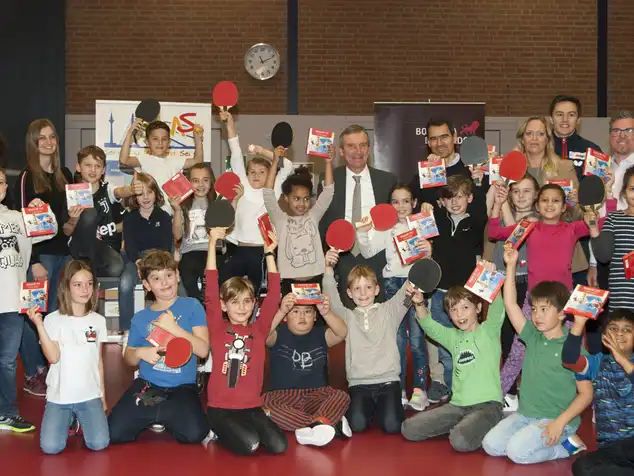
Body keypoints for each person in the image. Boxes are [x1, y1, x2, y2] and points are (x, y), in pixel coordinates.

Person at [489, 183, 607, 400]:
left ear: (564, 207)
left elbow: (600, 222)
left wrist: (599, 204)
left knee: (576, 351)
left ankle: (591, 398)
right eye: (544, 200)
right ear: (537, 204)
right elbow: (495, 232)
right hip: (533, 301)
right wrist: (497, 206)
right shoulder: (529, 227)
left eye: (556, 201)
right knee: (518, 351)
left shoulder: (572, 228)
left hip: (566, 302)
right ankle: (495, 397)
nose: (549, 204)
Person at [481, 247, 593, 464]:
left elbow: (586, 394)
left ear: (562, 314)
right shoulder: (532, 335)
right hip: (525, 415)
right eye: (534, 309)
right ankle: (534, 436)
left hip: (557, 419)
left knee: (517, 453)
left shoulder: (574, 349)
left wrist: (560, 423)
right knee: (491, 445)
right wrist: (511, 266)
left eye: (544, 310)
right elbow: (511, 304)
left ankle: (568, 446)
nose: (537, 316)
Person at [108, 250, 210, 444]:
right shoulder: (140, 317)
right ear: (147, 285)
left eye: (169, 275)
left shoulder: (192, 306)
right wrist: (139, 352)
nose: (165, 283)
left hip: (182, 387)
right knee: (113, 432)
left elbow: (203, 350)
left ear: (177, 276)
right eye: (156, 278)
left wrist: (174, 328)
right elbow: (129, 359)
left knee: (196, 434)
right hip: (148, 385)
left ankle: (159, 413)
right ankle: (158, 412)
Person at [401, 263, 505, 452]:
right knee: (409, 428)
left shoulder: (489, 330)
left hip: (487, 406)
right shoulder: (453, 337)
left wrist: (490, 277)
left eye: (465, 307)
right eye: (454, 310)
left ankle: (481, 424)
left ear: (479, 308)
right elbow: (429, 325)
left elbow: (498, 308)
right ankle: (466, 424)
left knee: (460, 441)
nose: (460, 314)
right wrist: (418, 303)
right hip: (457, 407)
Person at [205, 227, 287, 456]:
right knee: (250, 445)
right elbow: (211, 287)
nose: (241, 308)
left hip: (251, 407)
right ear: (223, 305)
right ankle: (217, 430)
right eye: (234, 302)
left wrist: (269, 253)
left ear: (253, 304)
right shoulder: (218, 327)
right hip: (221, 409)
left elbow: (273, 296)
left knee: (280, 446)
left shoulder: (259, 330)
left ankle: (246, 428)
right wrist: (212, 244)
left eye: (247, 302)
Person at [356, 183, 432, 410]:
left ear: (414, 203)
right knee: (397, 339)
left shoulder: (422, 224)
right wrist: (363, 231)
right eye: (395, 201)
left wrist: (429, 250)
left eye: (405, 201)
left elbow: (429, 256)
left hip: (416, 283)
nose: (400, 206)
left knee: (417, 339)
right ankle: (396, 389)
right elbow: (368, 252)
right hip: (391, 285)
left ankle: (420, 390)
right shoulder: (385, 228)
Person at [322, 249, 410, 434]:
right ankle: (372, 410)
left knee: (393, 427)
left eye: (368, 287)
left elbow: (408, 290)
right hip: (359, 384)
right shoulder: (346, 316)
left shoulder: (390, 311)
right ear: (349, 293)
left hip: (388, 382)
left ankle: (386, 408)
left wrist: (423, 258)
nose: (363, 293)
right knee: (357, 425)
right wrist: (328, 269)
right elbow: (330, 296)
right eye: (357, 289)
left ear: (377, 289)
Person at [15, 119, 73, 398]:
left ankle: (49, 369)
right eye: (42, 138)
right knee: (32, 316)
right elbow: (24, 224)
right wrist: (33, 261)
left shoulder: (65, 173)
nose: (49, 142)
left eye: (52, 137)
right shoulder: (27, 177)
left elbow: (66, 222)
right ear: (33, 143)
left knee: (52, 317)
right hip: (40, 258)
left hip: (63, 254)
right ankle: (31, 373)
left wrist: (74, 224)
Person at [27, 260, 109, 454]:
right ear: (66, 287)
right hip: (60, 398)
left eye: (89, 283)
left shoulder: (98, 321)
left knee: (99, 443)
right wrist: (39, 325)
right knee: (51, 447)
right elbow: (53, 357)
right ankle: (69, 418)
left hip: (89, 396)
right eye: (77, 284)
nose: (85, 289)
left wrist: (103, 397)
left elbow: (98, 362)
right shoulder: (53, 319)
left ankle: (80, 419)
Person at [0, 167, 57, 433]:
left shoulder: (17, 217)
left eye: (0, 182)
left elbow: (50, 230)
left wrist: (40, 208)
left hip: (12, 302)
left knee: (8, 362)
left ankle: (7, 413)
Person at [424, 175, 488, 404]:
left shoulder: (478, 222)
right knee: (444, 345)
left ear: (470, 198)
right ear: (443, 201)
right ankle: (450, 388)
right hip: (440, 294)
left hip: (465, 297)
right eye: (450, 197)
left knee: (467, 343)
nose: (455, 202)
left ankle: (468, 386)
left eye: (460, 196)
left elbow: (485, 252)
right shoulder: (435, 219)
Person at [319, 125, 397, 307]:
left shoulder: (387, 180)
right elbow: (322, 220)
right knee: (346, 317)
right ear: (341, 150)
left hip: (377, 256)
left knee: (380, 314)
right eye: (351, 146)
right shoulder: (329, 179)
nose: (358, 151)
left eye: (362, 145)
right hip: (343, 257)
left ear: (369, 149)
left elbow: (397, 215)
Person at [220, 111, 294, 294]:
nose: (256, 175)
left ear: (269, 174)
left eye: (262, 172)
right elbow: (235, 151)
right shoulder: (242, 184)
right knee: (222, 283)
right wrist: (229, 123)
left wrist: (262, 151)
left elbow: (289, 165)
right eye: (252, 171)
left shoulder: (272, 190)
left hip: (261, 252)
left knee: (256, 292)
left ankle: (255, 320)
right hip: (238, 250)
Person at [263, 293, 350, 447]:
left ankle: (313, 425)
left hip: (317, 394)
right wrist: (281, 311)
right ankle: (324, 423)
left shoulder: (321, 334)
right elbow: (261, 335)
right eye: (295, 312)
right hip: (283, 396)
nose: (302, 316)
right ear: (286, 317)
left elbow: (342, 332)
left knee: (341, 396)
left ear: (315, 316)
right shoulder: (278, 334)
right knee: (265, 405)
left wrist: (326, 312)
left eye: (308, 312)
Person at [485, 174, 540, 411]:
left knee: (526, 338)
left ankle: (529, 387)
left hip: (524, 282)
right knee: (507, 336)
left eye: (526, 191)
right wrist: (498, 202)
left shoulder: (537, 218)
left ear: (536, 195)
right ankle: (511, 391)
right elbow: (493, 234)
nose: (520, 196)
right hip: (502, 279)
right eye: (516, 191)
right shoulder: (504, 213)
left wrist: (502, 203)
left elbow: (513, 234)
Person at [562, 311, 634, 476]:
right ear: (604, 335)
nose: (619, 333)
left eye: (627, 330)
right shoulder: (597, 363)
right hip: (611, 449)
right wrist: (579, 324)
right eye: (613, 329)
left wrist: (621, 358)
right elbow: (569, 359)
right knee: (582, 467)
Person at [64, 145, 142, 277]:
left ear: (103, 170)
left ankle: (88, 272)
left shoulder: (108, 189)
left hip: (101, 249)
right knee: (89, 212)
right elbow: (66, 231)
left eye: (98, 166)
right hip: (79, 248)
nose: (93, 170)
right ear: (78, 167)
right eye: (88, 165)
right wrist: (73, 219)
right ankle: (84, 266)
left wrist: (131, 190)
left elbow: (119, 192)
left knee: (117, 267)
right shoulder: (71, 194)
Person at [263, 151, 333, 293]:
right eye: (296, 198)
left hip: (316, 279)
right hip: (289, 282)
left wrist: (328, 163)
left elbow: (328, 192)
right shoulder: (280, 219)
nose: (302, 203)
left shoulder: (313, 217)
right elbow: (267, 194)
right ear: (286, 198)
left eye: (306, 199)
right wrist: (275, 162)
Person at [119, 173, 173, 337]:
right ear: (134, 197)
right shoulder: (129, 218)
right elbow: (129, 244)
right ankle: (127, 330)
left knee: (177, 285)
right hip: (135, 259)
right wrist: (138, 261)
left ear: (156, 194)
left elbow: (165, 246)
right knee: (125, 283)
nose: (146, 197)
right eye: (141, 193)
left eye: (149, 192)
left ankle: (179, 325)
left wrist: (154, 263)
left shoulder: (163, 216)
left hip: (159, 259)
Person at [119, 119, 205, 215]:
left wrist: (198, 139)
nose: (160, 143)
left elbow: (197, 161)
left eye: (164, 139)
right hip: (148, 213)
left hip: (171, 213)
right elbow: (124, 160)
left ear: (169, 142)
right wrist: (130, 133)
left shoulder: (175, 161)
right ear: (147, 142)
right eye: (155, 139)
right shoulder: (143, 159)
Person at [171, 163, 218, 302]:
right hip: (190, 252)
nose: (201, 184)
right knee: (187, 271)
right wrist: (177, 210)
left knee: (216, 275)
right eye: (195, 181)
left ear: (211, 181)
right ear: (188, 183)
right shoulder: (184, 205)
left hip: (213, 251)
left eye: (205, 180)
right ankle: (198, 303)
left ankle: (209, 303)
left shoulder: (217, 202)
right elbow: (177, 235)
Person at [591, 165, 634, 310]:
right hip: (620, 298)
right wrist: (593, 228)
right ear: (624, 191)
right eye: (632, 189)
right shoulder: (613, 218)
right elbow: (603, 256)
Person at [550, 95, 602, 181]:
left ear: (578, 120)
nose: (565, 120)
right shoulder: (541, 148)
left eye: (571, 115)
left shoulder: (592, 150)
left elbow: (597, 188)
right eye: (559, 114)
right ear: (551, 119)